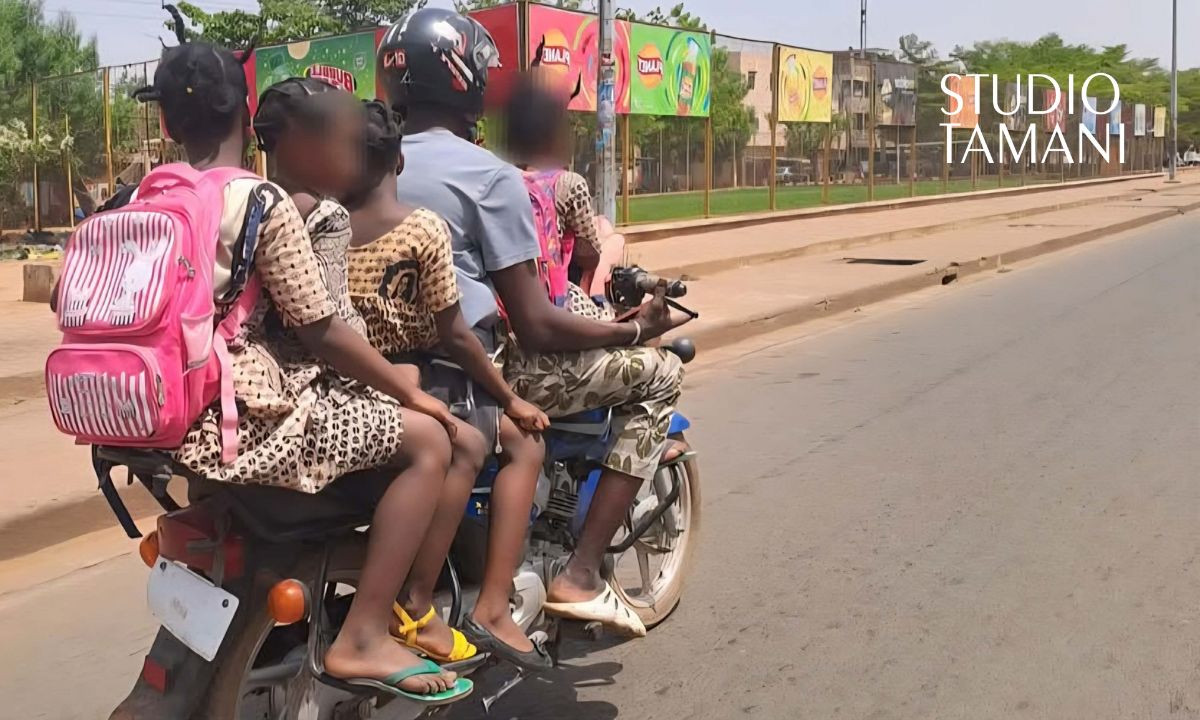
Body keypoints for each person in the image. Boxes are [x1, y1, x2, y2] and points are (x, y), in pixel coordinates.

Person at [100, 36, 469, 703]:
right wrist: (415, 394)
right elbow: (323, 329)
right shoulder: (259, 203)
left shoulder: (140, 197)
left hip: (163, 417)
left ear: (164, 123)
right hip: (245, 419)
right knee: (430, 443)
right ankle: (364, 635)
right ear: (245, 112)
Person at [379, 8, 692, 637]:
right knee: (657, 375)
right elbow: (538, 323)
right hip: (483, 373)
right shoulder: (490, 176)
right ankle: (579, 573)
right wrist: (632, 330)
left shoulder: (366, 164)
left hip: (389, 369)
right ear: (465, 79)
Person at [252, 77, 489, 668]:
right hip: (297, 401)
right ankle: (390, 619)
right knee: (450, 440)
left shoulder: (245, 198)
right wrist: (404, 385)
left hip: (244, 391)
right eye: (341, 140)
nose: (351, 156)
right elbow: (330, 331)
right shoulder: (320, 214)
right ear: (305, 144)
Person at [342, 100, 552, 669]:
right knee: (480, 443)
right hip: (431, 370)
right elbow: (457, 335)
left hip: (359, 376)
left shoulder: (326, 224)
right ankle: (439, 603)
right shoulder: (423, 227)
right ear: (399, 161)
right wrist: (510, 397)